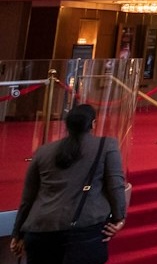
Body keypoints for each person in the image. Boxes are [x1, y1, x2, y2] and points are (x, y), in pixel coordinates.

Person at [12, 104, 128, 264]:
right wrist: (119, 218)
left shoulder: (43, 151)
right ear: (93, 124)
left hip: (39, 229)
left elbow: (28, 197)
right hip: (83, 231)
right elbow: (116, 185)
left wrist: (17, 233)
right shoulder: (106, 146)